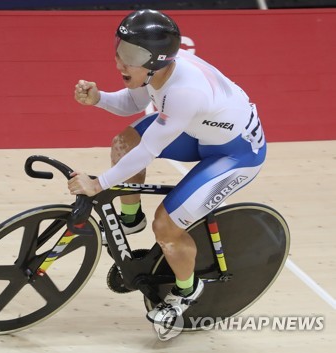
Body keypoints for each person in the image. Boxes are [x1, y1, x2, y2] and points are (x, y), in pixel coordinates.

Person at [68, 9, 266, 328]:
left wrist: (98, 184)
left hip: (236, 155)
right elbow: (132, 104)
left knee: (166, 226)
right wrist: (99, 98)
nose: (120, 61)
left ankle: (187, 291)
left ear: (155, 58)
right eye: (120, 49)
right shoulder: (155, 70)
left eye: (130, 55)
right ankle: (131, 219)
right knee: (124, 142)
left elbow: (148, 150)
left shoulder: (185, 92)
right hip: (202, 134)